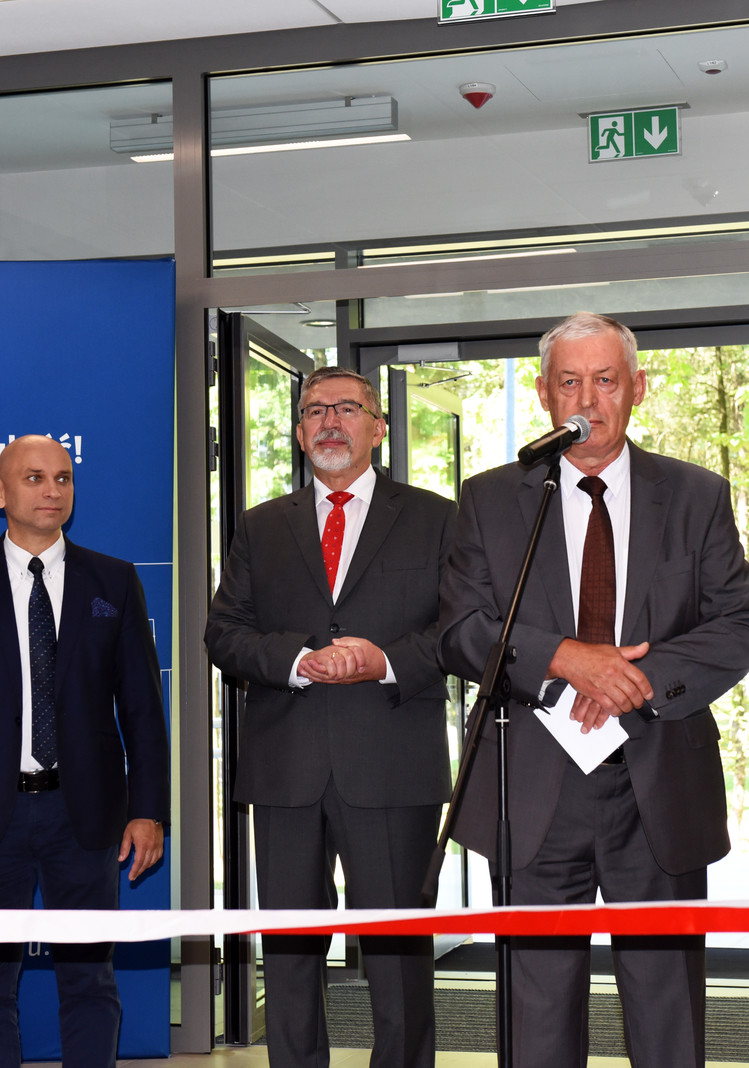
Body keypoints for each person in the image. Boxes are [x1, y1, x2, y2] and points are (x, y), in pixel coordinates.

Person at [439, 311, 749, 1068]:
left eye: (605, 380)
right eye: (569, 382)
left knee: (666, 1009)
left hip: (658, 786)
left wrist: (632, 680)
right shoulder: (491, 500)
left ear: (637, 389)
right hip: (532, 790)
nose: (587, 399)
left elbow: (741, 625)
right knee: (536, 1016)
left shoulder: (695, 496)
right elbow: (460, 631)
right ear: (544, 394)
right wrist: (564, 659)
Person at [204, 366, 455, 1068]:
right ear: (298, 431)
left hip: (392, 766)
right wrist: (294, 660)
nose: (330, 422)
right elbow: (223, 633)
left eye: (348, 408)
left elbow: (463, 629)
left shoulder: (437, 517)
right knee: (288, 956)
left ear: (379, 427)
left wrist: (384, 659)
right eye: (315, 410)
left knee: (397, 956)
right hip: (285, 769)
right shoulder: (261, 526)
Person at [0, 433, 169, 1068]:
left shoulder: (114, 580)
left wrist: (148, 810)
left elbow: (141, 709)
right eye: (34, 478)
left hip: (87, 815)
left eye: (63, 478)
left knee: (91, 981)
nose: (52, 490)